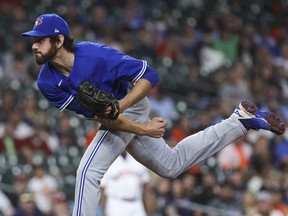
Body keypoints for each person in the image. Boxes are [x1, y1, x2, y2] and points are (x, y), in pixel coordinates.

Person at [21, 13, 285, 216]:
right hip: (114, 117)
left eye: (40, 40)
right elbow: (102, 117)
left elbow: (150, 75)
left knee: (87, 172)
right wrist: (143, 129)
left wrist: (121, 106)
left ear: (59, 41)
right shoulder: (46, 82)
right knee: (171, 165)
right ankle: (239, 121)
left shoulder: (96, 55)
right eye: (33, 40)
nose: (34, 46)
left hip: (131, 104)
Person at [100, 151, 151, 216]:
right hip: (116, 203)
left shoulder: (139, 157)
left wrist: (147, 203)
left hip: (137, 202)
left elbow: (145, 184)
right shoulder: (107, 160)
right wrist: (104, 208)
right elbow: (102, 189)